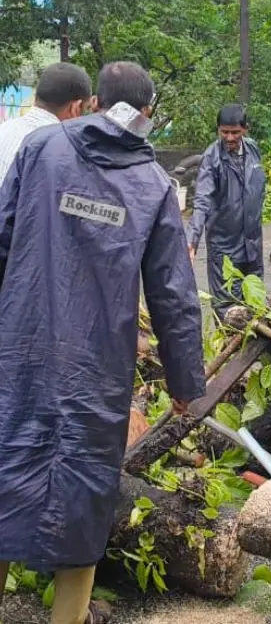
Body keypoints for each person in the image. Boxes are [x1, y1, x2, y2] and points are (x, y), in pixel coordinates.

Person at [0, 61, 206, 624]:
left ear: (95, 103)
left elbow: (2, 236)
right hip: (96, 365)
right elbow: (174, 297)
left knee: (6, 469)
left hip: (21, 349)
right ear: (147, 114)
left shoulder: (41, 150)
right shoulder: (154, 185)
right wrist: (186, 384)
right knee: (85, 490)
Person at [185, 103, 266, 317]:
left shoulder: (253, 149)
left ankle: (255, 349)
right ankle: (230, 349)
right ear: (218, 130)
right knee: (227, 306)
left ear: (245, 129)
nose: (229, 138)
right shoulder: (212, 158)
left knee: (255, 300)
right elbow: (202, 199)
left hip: (252, 242)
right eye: (225, 132)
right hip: (224, 245)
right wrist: (191, 239)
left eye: (235, 132)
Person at [0, 62, 93, 182]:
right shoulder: (64, 150)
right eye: (86, 109)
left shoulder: (5, 128)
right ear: (75, 108)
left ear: (35, 96)